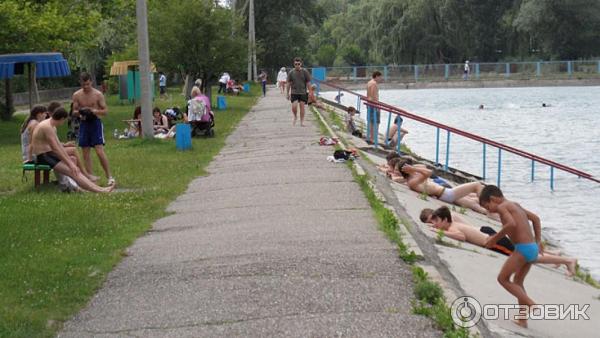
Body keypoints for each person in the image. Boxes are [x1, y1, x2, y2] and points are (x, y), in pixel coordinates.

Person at [423, 206, 577, 276]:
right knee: (525, 250)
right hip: (487, 233)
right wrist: (438, 224)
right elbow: (450, 215)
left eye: (436, 221)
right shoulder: (452, 221)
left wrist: (439, 231)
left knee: (529, 257)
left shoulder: (451, 228)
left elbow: (461, 237)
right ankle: (557, 258)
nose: (435, 225)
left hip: (493, 242)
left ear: (444, 220)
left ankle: (567, 260)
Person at [478, 185, 541, 328]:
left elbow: (511, 224)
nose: (488, 210)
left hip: (522, 249)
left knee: (503, 278)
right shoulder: (515, 205)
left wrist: (494, 238)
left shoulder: (502, 207)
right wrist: (538, 241)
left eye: (487, 206)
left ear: (493, 199)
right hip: (532, 248)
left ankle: (530, 303)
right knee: (518, 281)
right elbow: (536, 219)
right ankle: (522, 319)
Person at [30, 108, 114, 193]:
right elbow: (56, 149)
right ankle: (100, 191)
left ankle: (99, 189)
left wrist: (70, 162)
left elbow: (59, 146)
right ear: (62, 119)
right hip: (43, 157)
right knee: (73, 172)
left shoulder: (50, 125)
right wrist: (70, 164)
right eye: (64, 121)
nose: (63, 123)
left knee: (75, 170)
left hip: (49, 154)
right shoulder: (47, 127)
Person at [396, 157, 488, 214]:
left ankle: (491, 211)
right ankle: (489, 206)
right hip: (446, 194)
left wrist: (413, 168)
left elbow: (424, 167)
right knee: (477, 185)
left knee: (475, 204)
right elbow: (429, 173)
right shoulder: (412, 181)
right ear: (407, 170)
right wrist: (412, 168)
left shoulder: (413, 176)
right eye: (410, 166)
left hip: (446, 193)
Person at [72, 72, 114, 185]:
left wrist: (94, 111)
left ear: (91, 82)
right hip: (84, 123)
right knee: (85, 152)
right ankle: (90, 178)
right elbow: (74, 111)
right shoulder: (76, 95)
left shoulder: (98, 94)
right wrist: (80, 113)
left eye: (87, 84)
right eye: (83, 84)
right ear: (80, 83)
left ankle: (109, 176)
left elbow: (105, 111)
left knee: (99, 151)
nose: (85, 87)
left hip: (95, 123)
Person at [286, 57, 312, 127]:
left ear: (301, 64)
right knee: (294, 106)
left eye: (298, 64)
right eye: (295, 64)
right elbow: (288, 83)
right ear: (294, 64)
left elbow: (308, 82)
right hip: (294, 92)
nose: (297, 65)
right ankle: (295, 116)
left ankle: (302, 121)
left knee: (302, 107)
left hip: (303, 92)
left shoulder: (305, 72)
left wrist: (310, 92)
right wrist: (287, 93)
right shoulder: (291, 72)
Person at [366, 71, 383, 144]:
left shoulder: (369, 82)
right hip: (373, 104)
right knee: (375, 122)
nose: (380, 79)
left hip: (370, 103)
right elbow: (373, 95)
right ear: (376, 76)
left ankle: (370, 137)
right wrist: (377, 106)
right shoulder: (374, 84)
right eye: (380, 77)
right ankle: (372, 138)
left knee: (371, 121)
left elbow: (368, 95)